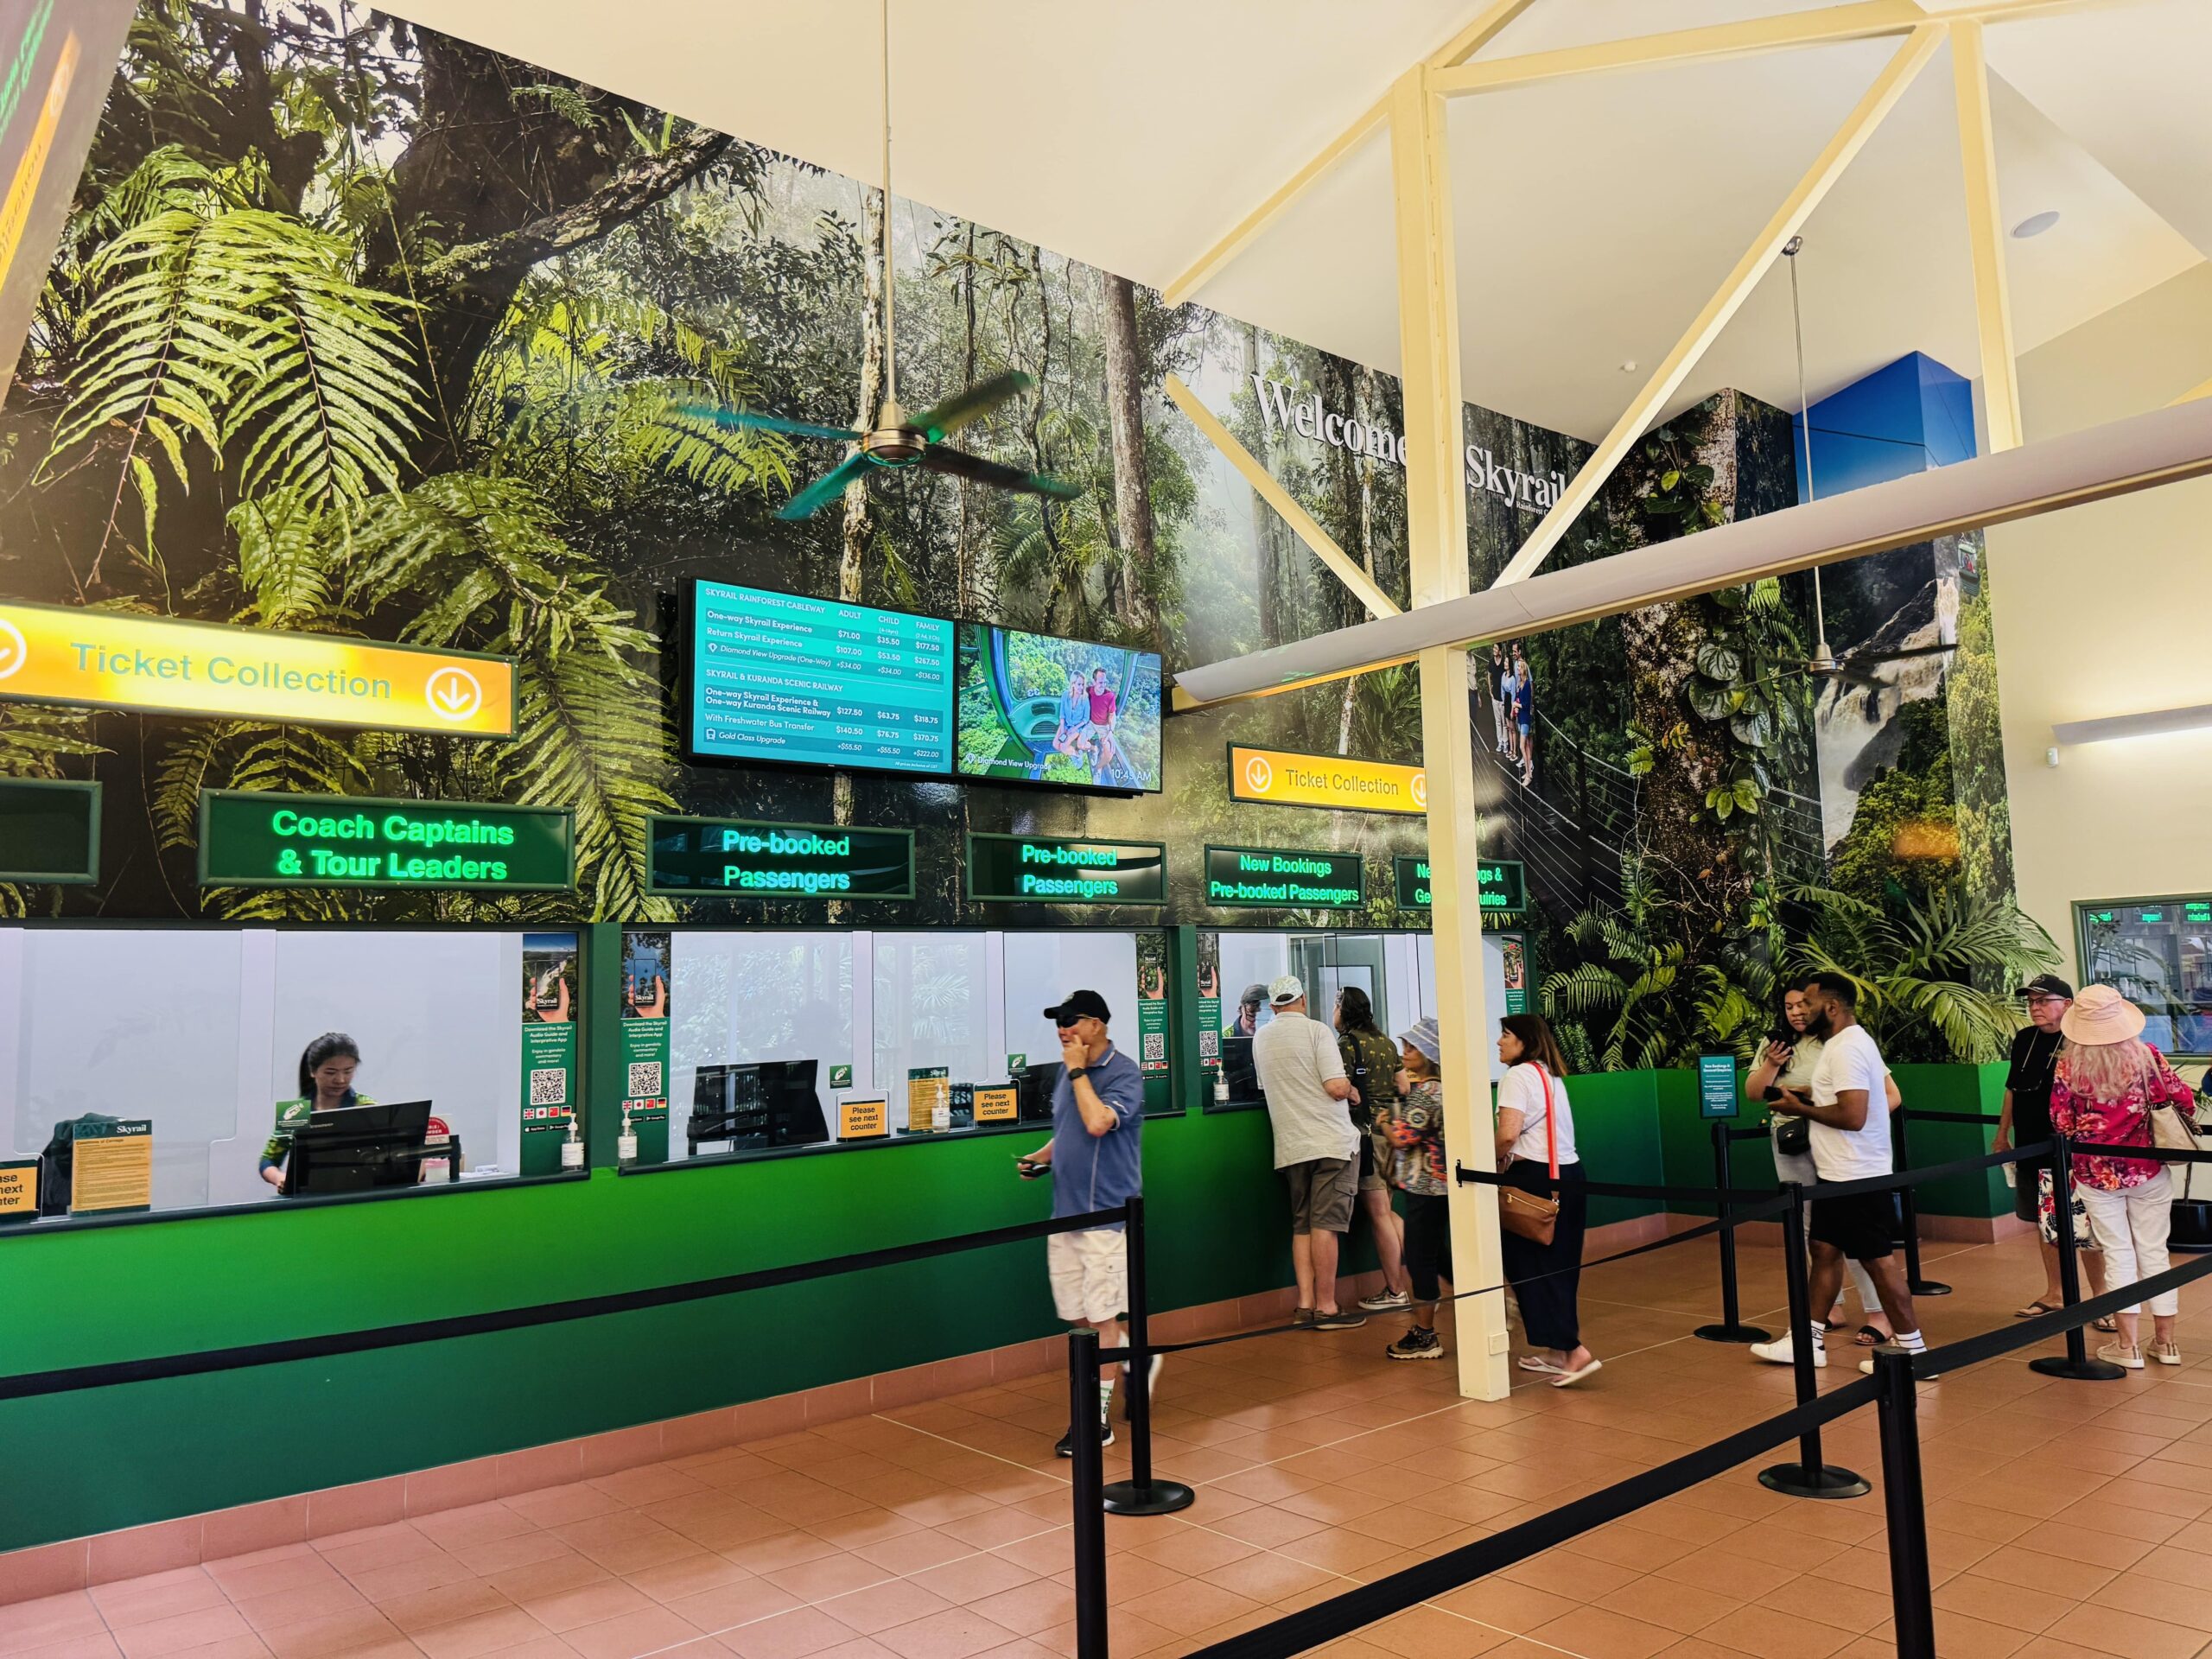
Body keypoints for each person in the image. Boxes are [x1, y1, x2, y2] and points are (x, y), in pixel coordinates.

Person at [1752, 974, 1926, 1376]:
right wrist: (1806, 1096)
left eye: (1808, 1004)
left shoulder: (1847, 1048)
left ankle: (1915, 1351)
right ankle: (1806, 1341)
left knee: (1879, 1263)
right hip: (1838, 1174)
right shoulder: (1842, 1044)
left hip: (1855, 1175)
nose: (1801, 1011)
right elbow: (1847, 1098)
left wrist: (1800, 1109)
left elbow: (1853, 1115)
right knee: (1824, 1251)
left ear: (1831, 1008)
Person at [1015, 989, 1150, 1452]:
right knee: (1078, 1318)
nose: (1063, 1029)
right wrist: (1041, 1157)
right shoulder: (1066, 1073)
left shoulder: (1124, 1073)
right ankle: (1133, 1356)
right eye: (1059, 1021)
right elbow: (1069, 1132)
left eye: (1072, 1020)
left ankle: (1096, 1421)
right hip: (1065, 1217)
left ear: (1097, 1024)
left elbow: (1097, 1123)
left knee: (1100, 1317)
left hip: (1106, 1218)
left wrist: (1077, 1071)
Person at [2048, 985, 2195, 1370]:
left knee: (2117, 1253)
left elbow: (2060, 1122)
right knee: (2155, 1252)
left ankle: (2127, 1347)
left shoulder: (2069, 1067)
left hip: (2095, 1174)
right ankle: (2166, 1343)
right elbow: (2184, 1100)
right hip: (2147, 1169)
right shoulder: (2148, 1057)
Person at [1250, 975, 1366, 1330]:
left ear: (1273, 1007)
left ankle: (1305, 1304)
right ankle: (1327, 1308)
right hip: (1330, 1143)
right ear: (1302, 1000)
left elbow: (1266, 1086)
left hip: (1291, 1146)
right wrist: (1352, 1090)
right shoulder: (1317, 1031)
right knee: (1325, 1225)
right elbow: (1335, 1087)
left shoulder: (1260, 1038)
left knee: (1302, 1224)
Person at [1997, 975, 2110, 1325]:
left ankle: (2101, 1298)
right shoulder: (2024, 1039)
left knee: (2084, 1224)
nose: (2035, 1008)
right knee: (2045, 1222)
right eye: (2031, 1002)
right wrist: (2002, 1134)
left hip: (2073, 1150)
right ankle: (2055, 1293)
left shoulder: (2081, 1040)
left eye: (2044, 1001)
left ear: (2067, 1004)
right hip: (2031, 1145)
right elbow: (2012, 1089)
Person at [1496, 1014, 1599, 1384]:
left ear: (1525, 1041)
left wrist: (1487, 1160)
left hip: (1534, 1179)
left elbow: (1508, 1135)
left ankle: (1573, 1350)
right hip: (1569, 1175)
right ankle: (1557, 1351)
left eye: (1505, 1035)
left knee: (1528, 1265)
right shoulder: (1549, 1075)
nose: (1499, 1042)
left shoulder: (1516, 1077)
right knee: (1561, 1264)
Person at [1335, 987, 1413, 1313]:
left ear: (1345, 1010)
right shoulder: (1386, 1042)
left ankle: (1396, 1291)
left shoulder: (1347, 1044)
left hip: (1367, 1137)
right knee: (1388, 1211)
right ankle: (1413, 1282)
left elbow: (1338, 1087)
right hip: (1392, 1134)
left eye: (1337, 1005)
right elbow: (1404, 1086)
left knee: (1379, 1214)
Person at [1381, 1018, 1451, 1357]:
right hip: (1443, 1186)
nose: (1405, 1052)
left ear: (1429, 1054)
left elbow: (1402, 1138)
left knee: (1420, 1258)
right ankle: (1496, 1302)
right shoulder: (1444, 1089)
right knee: (1440, 1255)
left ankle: (1425, 1335)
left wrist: (1384, 1122)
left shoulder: (1426, 1094)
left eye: (1413, 1048)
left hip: (1426, 1187)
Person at [261, 1033, 368, 1192]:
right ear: (313, 1071)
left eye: (348, 1071)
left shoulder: (364, 1106)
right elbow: (268, 1160)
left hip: (357, 1193)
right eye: (330, 1072)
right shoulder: (296, 1112)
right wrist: (279, 1178)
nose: (340, 1080)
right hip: (306, 1197)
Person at [1084, 665, 1120, 775]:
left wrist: (1110, 732)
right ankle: (1094, 749)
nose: (1103, 685)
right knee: (1079, 743)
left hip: (1104, 725)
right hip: (1091, 723)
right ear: (1094, 682)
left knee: (1109, 753)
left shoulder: (1110, 696)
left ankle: (1098, 769)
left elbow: (1112, 715)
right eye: (1100, 682)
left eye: (1105, 682)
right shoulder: (1089, 691)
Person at [1053, 671, 1093, 763]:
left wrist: (1074, 728)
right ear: (1073, 684)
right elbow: (1062, 715)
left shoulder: (1085, 698)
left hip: (1077, 727)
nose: (1081, 687)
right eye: (1079, 684)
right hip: (1066, 724)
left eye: (1082, 684)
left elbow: (1086, 719)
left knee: (1063, 747)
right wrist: (1062, 731)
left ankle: (1077, 754)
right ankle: (1072, 751)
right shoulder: (1065, 695)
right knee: (1056, 745)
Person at [1512, 647, 1536, 787]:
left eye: (1520, 668)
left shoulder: (1526, 684)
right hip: (1520, 718)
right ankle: (1528, 772)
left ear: (1523, 669)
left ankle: (1528, 774)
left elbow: (1526, 705)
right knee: (1526, 746)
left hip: (1526, 718)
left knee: (1522, 746)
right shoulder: (1520, 684)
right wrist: (1516, 706)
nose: (1518, 669)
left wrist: (1517, 705)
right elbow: (1519, 700)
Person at [1491, 645, 1515, 757]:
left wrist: (1506, 703)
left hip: (1505, 701)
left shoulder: (1509, 675)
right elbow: (1489, 675)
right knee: (1498, 721)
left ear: (1500, 651)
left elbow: (1511, 692)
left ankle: (1506, 743)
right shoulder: (1492, 663)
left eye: (1496, 648)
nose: (1494, 650)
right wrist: (1490, 691)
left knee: (1506, 723)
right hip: (1496, 697)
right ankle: (1500, 742)